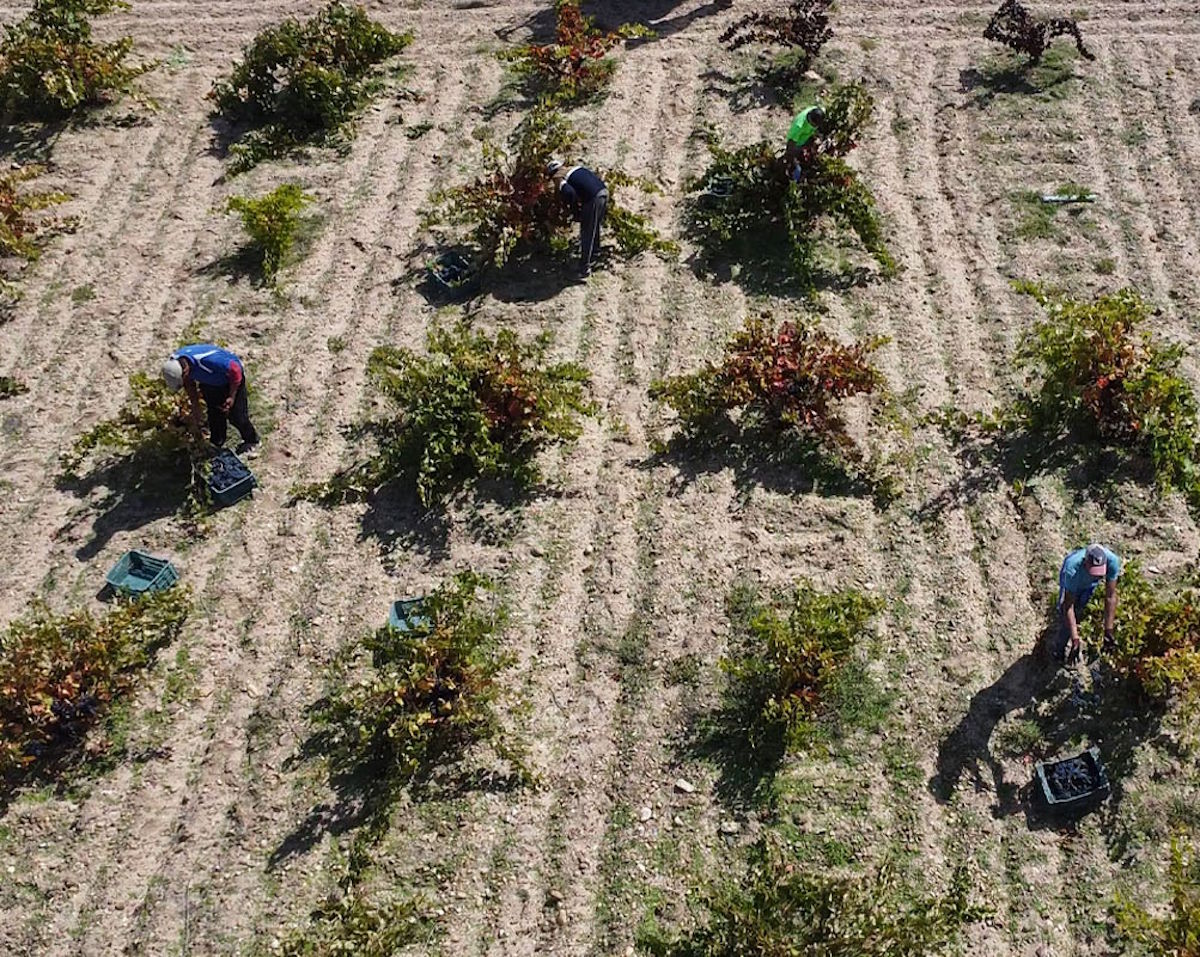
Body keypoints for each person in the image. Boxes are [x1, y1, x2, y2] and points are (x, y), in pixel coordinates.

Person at [162, 344, 260, 455]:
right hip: (209, 382)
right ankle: (217, 444)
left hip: (230, 381)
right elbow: (189, 384)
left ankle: (251, 440)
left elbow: (235, 370)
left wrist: (232, 396)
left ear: (185, 371)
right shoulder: (177, 364)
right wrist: (195, 405)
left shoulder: (208, 361)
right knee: (215, 414)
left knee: (237, 416)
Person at [1053, 543, 1121, 663]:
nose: (1097, 576)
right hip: (1074, 581)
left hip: (1088, 585)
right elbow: (1068, 605)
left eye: (1100, 574)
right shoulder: (1072, 569)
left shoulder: (1113, 562)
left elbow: (1110, 596)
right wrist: (1075, 639)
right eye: (1094, 573)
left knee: (1080, 608)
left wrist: (1108, 630)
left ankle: (1075, 621)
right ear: (1085, 563)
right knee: (1064, 614)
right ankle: (1058, 651)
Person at [546, 159, 608, 277]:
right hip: (603, 192)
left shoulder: (560, 178)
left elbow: (570, 193)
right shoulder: (576, 169)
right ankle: (596, 254)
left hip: (593, 198)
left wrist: (575, 212)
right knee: (594, 226)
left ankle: (584, 268)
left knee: (587, 231)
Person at [784, 105, 827, 181]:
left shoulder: (817, 111)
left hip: (806, 138)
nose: (815, 127)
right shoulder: (798, 126)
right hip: (797, 144)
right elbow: (790, 146)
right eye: (813, 125)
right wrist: (795, 163)